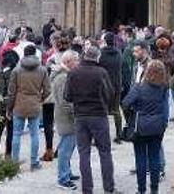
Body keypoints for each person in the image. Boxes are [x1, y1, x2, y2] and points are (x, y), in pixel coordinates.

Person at [64, 45, 118, 194]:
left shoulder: (74, 73)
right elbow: (110, 93)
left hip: (81, 116)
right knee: (105, 152)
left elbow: (67, 96)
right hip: (98, 115)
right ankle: (109, 187)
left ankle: (87, 189)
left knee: (84, 153)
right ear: (97, 57)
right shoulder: (101, 72)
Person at [122, 60, 169, 194]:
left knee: (141, 158)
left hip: (140, 126)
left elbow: (125, 103)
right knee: (154, 158)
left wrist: (133, 111)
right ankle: (154, 190)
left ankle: (141, 190)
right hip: (157, 126)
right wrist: (164, 124)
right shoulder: (164, 88)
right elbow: (165, 108)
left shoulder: (139, 87)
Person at [7, 45, 50, 170]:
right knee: (35, 134)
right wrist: (40, 98)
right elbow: (48, 89)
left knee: (16, 134)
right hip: (34, 104)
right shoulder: (42, 70)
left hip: (19, 104)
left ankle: (14, 163)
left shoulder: (17, 70)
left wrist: (9, 107)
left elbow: (11, 91)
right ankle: (34, 162)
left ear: (24, 54)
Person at [52, 50, 81, 190]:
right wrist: (76, 112)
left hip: (66, 118)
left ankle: (67, 172)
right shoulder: (63, 78)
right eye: (76, 60)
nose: (78, 63)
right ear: (69, 61)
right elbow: (65, 102)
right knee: (65, 149)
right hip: (66, 118)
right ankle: (63, 178)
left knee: (68, 147)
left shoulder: (65, 75)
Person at [0, 49, 19, 157]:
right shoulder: (15, 72)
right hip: (12, 104)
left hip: (0, 104)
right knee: (10, 132)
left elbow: (0, 89)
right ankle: (8, 154)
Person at [99, 33, 124, 143]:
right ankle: (119, 134)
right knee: (116, 110)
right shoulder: (118, 53)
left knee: (102, 111)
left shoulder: (101, 53)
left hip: (104, 85)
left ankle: (101, 136)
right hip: (117, 84)